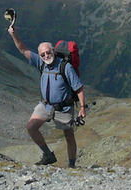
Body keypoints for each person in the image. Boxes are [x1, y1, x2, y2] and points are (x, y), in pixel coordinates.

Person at [7, 25, 86, 168]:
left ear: (53, 51)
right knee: (31, 127)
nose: (45, 56)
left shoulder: (65, 66)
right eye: (42, 55)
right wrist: (14, 35)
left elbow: (78, 88)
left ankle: (72, 166)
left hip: (64, 107)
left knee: (69, 136)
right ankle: (48, 155)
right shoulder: (41, 63)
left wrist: (81, 108)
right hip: (45, 105)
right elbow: (23, 50)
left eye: (48, 53)